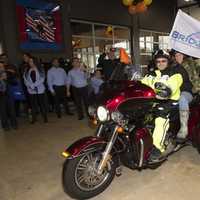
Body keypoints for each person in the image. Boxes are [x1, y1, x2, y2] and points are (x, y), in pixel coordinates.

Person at [141, 50, 183, 161]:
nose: (160, 63)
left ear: (168, 61)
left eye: (163, 61)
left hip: (170, 102)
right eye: (158, 61)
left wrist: (166, 90)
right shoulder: (152, 74)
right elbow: (142, 83)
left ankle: (157, 148)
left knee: (160, 119)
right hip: (155, 101)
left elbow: (172, 85)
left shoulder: (175, 73)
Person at [173, 51, 196, 141]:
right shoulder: (173, 67)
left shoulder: (191, 64)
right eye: (176, 55)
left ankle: (184, 128)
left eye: (179, 55)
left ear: (183, 55)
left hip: (188, 91)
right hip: (175, 92)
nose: (178, 57)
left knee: (182, 98)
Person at [23, 57, 48, 123]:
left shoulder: (40, 69)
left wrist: (34, 85)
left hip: (40, 89)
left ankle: (45, 118)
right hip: (31, 90)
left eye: (32, 61)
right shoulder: (27, 70)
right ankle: (34, 118)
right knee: (33, 105)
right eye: (29, 61)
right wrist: (30, 86)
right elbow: (25, 80)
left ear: (35, 62)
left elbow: (42, 79)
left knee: (42, 104)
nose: (30, 62)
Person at [0, 61, 18, 131]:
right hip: (1, 96)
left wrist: (6, 79)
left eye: (1, 66)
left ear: (4, 67)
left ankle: (14, 124)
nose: (1, 68)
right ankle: (5, 126)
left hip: (9, 95)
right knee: (3, 112)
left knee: (12, 111)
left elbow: (15, 83)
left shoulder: (8, 73)